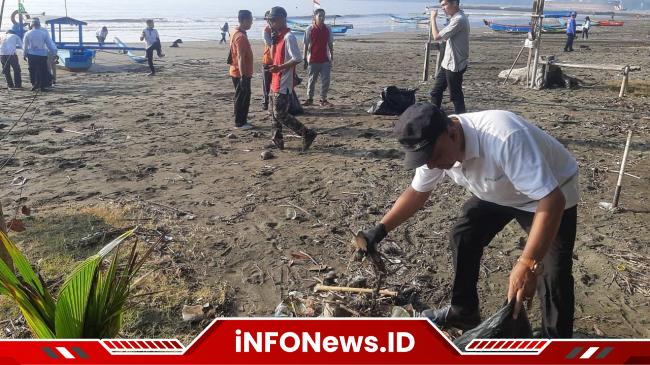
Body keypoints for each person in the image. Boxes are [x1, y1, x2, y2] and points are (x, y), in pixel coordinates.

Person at [360, 103, 579, 338]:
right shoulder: (435, 146)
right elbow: (417, 193)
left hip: (549, 195)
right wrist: (379, 231)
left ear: (452, 133)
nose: (431, 165)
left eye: (434, 157)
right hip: (496, 190)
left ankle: (556, 341)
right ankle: (463, 311)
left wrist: (527, 263)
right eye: (424, 160)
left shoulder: (504, 137)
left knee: (552, 271)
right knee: (464, 235)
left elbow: (551, 199)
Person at [266, 6, 317, 152]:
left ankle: (306, 133)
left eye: (273, 20)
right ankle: (277, 140)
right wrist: (273, 42)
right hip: (275, 81)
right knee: (273, 114)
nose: (271, 23)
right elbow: (272, 56)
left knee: (280, 114)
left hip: (283, 82)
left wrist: (280, 67)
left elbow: (298, 58)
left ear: (282, 19)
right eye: (270, 21)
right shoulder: (278, 36)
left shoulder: (289, 37)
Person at [429, 0, 469, 114]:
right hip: (447, 62)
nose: (443, 8)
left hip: (455, 64)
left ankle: (462, 121)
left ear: (455, 3)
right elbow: (447, 37)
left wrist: (433, 18)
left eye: (445, 5)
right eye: (441, 5)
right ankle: (433, 118)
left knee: (455, 96)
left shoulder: (459, 19)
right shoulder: (456, 18)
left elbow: (436, 36)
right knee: (436, 92)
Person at [303, 8, 334, 107]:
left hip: (325, 59)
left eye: (323, 16)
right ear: (314, 17)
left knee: (326, 80)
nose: (322, 18)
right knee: (312, 80)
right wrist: (304, 59)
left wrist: (332, 57)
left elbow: (330, 44)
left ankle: (323, 100)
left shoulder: (327, 29)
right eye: (319, 16)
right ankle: (310, 99)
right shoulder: (309, 29)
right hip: (313, 59)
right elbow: (305, 45)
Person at [229, 10, 254, 130]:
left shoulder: (235, 31)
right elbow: (240, 57)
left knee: (241, 96)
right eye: (250, 20)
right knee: (243, 97)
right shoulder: (241, 36)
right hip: (241, 73)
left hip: (236, 71)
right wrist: (244, 76)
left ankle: (241, 120)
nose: (251, 22)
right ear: (244, 20)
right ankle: (240, 122)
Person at [23, 18, 57, 92]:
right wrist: (54, 53)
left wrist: (24, 54)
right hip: (42, 54)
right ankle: (42, 86)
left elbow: (25, 45)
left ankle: (34, 84)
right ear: (39, 25)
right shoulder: (43, 33)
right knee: (42, 70)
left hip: (31, 55)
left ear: (32, 25)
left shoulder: (27, 33)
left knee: (32, 70)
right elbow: (49, 45)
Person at [261, 12, 274, 111]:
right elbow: (270, 45)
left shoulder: (278, 29)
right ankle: (265, 102)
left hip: (277, 61)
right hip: (268, 61)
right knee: (266, 84)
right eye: (269, 18)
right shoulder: (266, 31)